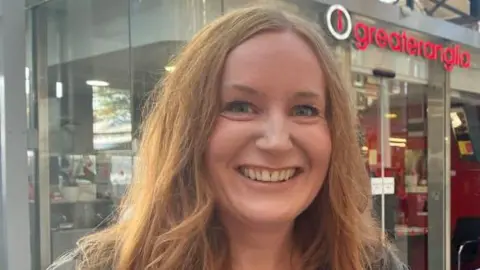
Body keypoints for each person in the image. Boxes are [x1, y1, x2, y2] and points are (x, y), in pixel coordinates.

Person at [49, 4, 407, 270]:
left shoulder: (372, 263)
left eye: (304, 110)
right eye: (240, 106)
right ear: (188, 129)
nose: (277, 140)